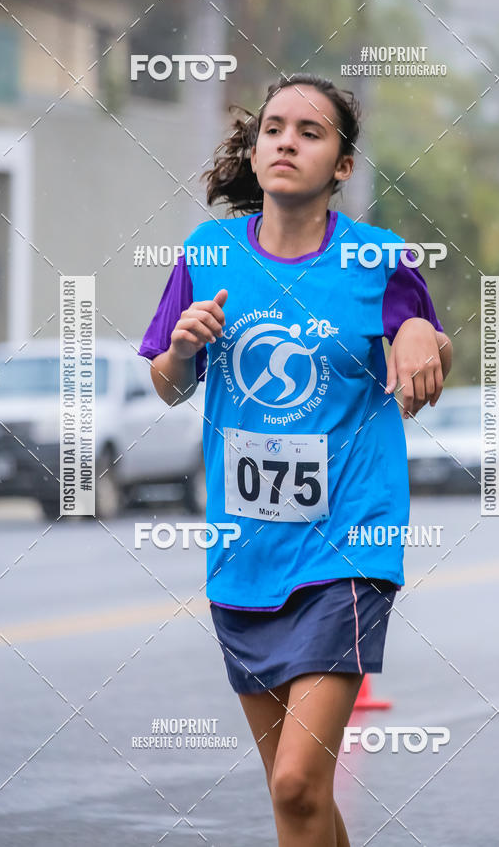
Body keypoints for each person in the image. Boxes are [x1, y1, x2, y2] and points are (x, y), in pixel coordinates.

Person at [138, 73, 452, 846]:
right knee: (299, 799)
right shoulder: (208, 253)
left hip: (348, 545)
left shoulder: (377, 258)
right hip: (242, 552)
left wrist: (420, 334)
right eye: (273, 127)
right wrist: (181, 350)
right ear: (253, 147)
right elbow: (169, 386)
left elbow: (427, 347)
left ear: (342, 166)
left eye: (311, 132)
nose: (286, 141)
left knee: (294, 781)